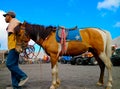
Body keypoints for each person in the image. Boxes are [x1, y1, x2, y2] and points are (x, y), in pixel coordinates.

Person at [3, 11, 29, 89]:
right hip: (12, 47)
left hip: (15, 47)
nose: (5, 18)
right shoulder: (12, 23)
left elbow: (21, 33)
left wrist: (21, 45)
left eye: (6, 16)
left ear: (10, 16)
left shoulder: (15, 22)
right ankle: (16, 86)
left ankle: (23, 76)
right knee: (13, 66)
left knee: (9, 64)